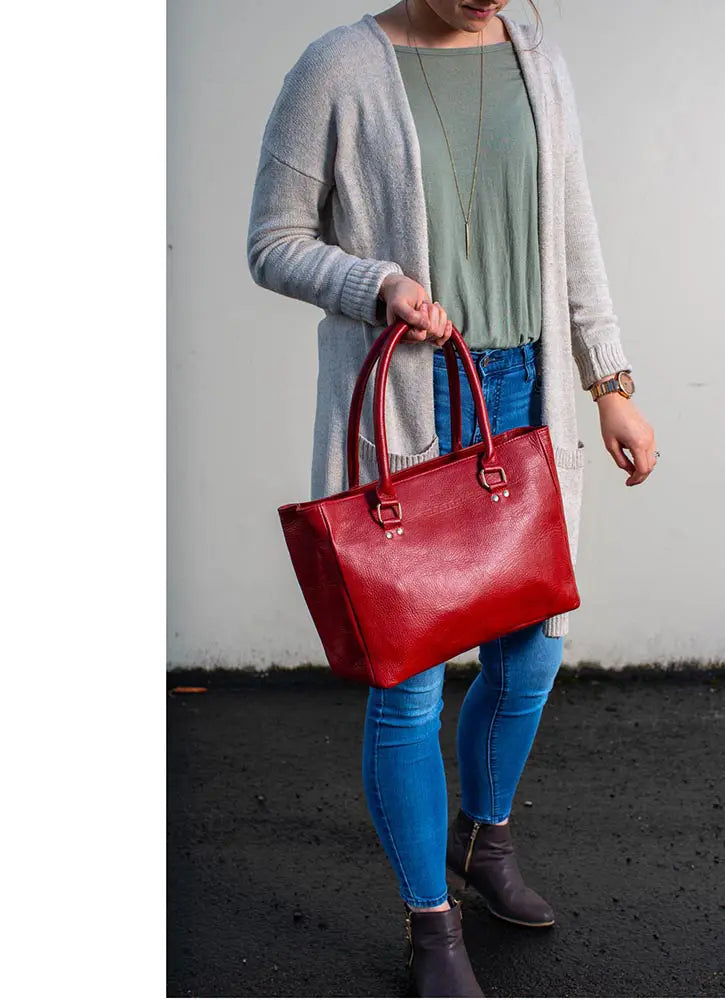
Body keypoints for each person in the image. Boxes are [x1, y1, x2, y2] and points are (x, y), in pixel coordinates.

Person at [247, 2, 658, 995]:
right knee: (412, 679)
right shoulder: (338, 69)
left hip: (529, 390)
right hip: (409, 400)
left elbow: (575, 233)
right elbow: (273, 239)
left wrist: (610, 385)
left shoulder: (535, 55)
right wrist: (379, 282)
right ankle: (430, 927)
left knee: (533, 648)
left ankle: (482, 842)